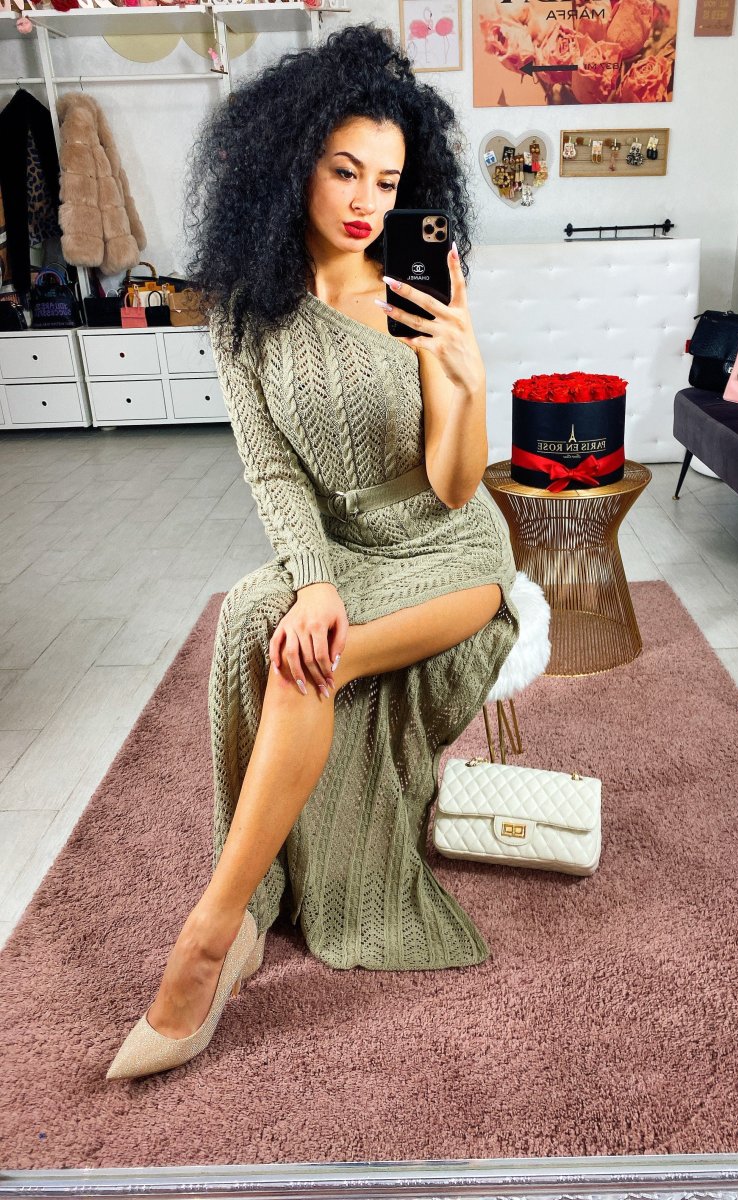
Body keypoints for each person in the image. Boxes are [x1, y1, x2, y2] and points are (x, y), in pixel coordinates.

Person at [106, 22, 521, 1081]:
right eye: (344, 170)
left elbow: (457, 485)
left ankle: (209, 939)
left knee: (308, 660)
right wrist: (318, 580)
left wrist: (467, 376)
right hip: (349, 543)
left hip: (453, 552)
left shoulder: (418, 287)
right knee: (259, 618)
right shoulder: (247, 312)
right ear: (291, 162)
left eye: (388, 179)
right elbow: (273, 473)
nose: (367, 200)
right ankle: (241, 910)